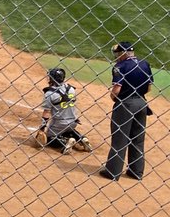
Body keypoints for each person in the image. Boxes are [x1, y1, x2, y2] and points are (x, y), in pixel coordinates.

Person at [100, 41, 154, 181]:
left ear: (123, 53)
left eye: (118, 53)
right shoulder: (144, 64)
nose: (117, 56)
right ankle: (136, 172)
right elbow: (148, 88)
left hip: (125, 104)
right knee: (137, 138)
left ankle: (113, 172)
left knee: (120, 138)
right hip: (142, 104)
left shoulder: (120, 66)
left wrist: (115, 98)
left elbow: (116, 90)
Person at [34, 67, 92, 155]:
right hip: (74, 121)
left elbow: (47, 112)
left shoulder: (49, 93)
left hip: (60, 123)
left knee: (49, 136)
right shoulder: (71, 89)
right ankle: (81, 138)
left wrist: (42, 128)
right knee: (67, 130)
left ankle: (65, 142)